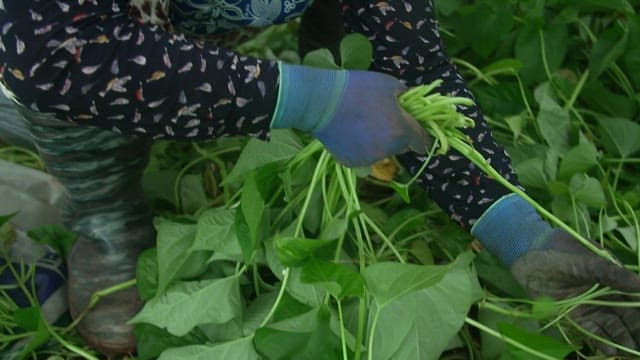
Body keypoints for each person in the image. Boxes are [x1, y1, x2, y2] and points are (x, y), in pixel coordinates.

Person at [0, 0, 638, 356]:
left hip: (159, 26)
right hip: (32, 54)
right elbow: (51, 52)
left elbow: (410, 60)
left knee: (352, 35)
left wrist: (512, 224)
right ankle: (106, 215)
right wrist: (309, 101)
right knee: (85, 104)